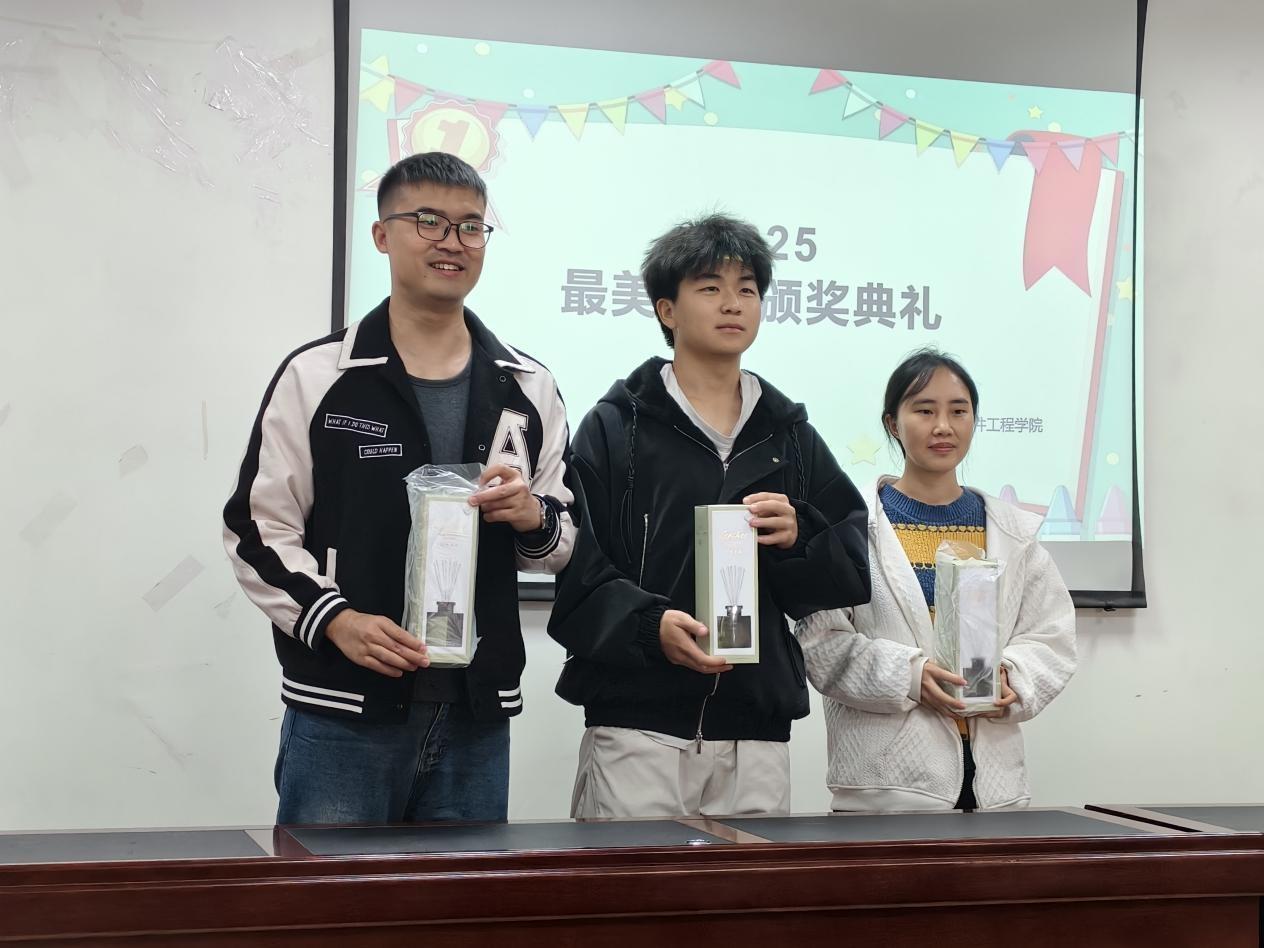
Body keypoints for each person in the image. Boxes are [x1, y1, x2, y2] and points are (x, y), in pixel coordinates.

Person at [223, 152, 575, 824]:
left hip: (477, 715)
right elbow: (256, 529)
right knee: (328, 895)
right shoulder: (320, 374)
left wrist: (532, 515)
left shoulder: (527, 387)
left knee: (464, 897)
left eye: (471, 226)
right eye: (429, 221)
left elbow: (566, 537)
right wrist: (335, 620)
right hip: (343, 714)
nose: (453, 242)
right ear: (382, 235)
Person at [548, 214, 870, 819]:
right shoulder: (616, 426)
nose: (733, 303)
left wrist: (799, 534)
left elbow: (850, 564)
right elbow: (579, 566)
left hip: (755, 730)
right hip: (639, 725)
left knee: (751, 884)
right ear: (667, 310)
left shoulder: (788, 434)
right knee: (630, 879)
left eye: (747, 288)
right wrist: (650, 628)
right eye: (710, 287)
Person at [795, 349, 1076, 811]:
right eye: (924, 411)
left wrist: (1013, 679)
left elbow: (1052, 637)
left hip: (995, 790)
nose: (943, 426)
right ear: (892, 423)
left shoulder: (1012, 533)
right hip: (887, 788)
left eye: (958, 411)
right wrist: (909, 677)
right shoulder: (849, 528)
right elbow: (822, 644)